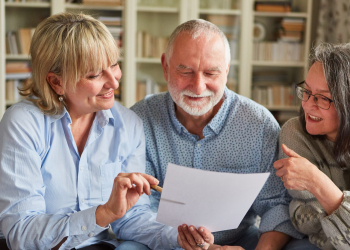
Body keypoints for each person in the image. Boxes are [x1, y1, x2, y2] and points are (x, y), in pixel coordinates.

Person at [0, 13, 212, 250]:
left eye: (113, 65)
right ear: (56, 82)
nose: (114, 82)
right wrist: (103, 214)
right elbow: (21, 233)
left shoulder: (128, 124)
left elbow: (131, 219)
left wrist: (179, 238)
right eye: (94, 74)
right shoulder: (23, 123)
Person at [131, 19, 316, 250]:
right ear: (166, 66)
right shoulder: (139, 120)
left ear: (226, 70)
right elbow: (135, 210)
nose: (198, 87)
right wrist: (187, 243)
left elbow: (275, 206)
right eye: (185, 71)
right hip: (162, 241)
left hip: (238, 241)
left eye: (211, 73)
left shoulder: (258, 124)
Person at [274, 43, 350, 250]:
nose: (307, 105)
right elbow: (304, 222)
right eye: (306, 91)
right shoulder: (295, 134)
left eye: (323, 98)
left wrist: (316, 181)